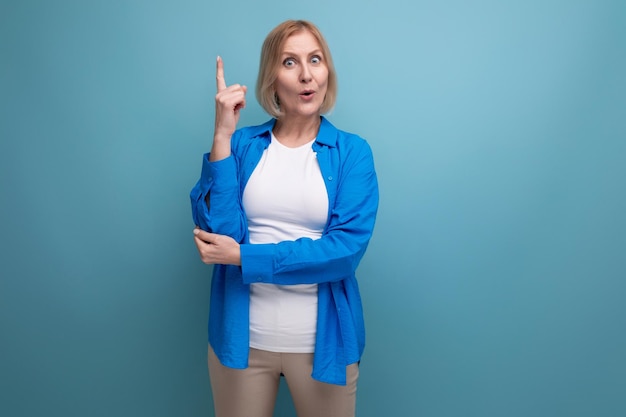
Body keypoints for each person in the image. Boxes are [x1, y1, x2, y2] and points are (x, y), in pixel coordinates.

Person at [190, 19, 378, 417]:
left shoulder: (353, 153)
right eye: (290, 62)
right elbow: (219, 234)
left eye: (315, 59)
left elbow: (343, 252)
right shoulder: (241, 146)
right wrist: (222, 135)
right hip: (241, 342)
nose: (307, 74)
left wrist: (246, 257)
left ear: (327, 71)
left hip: (321, 345)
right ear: (271, 79)